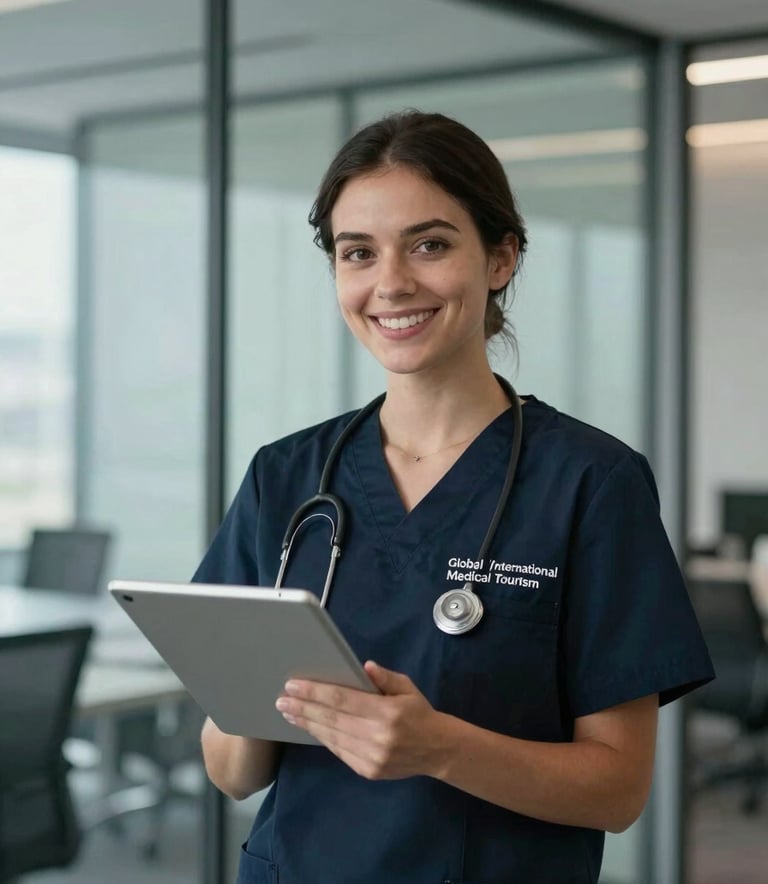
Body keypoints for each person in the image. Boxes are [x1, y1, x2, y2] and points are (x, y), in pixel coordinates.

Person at [195, 110, 714, 884]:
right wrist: (264, 698)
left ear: (501, 257)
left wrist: (437, 747)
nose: (391, 283)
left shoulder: (591, 483)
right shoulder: (287, 477)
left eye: (429, 245)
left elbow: (618, 790)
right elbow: (232, 773)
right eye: (358, 252)